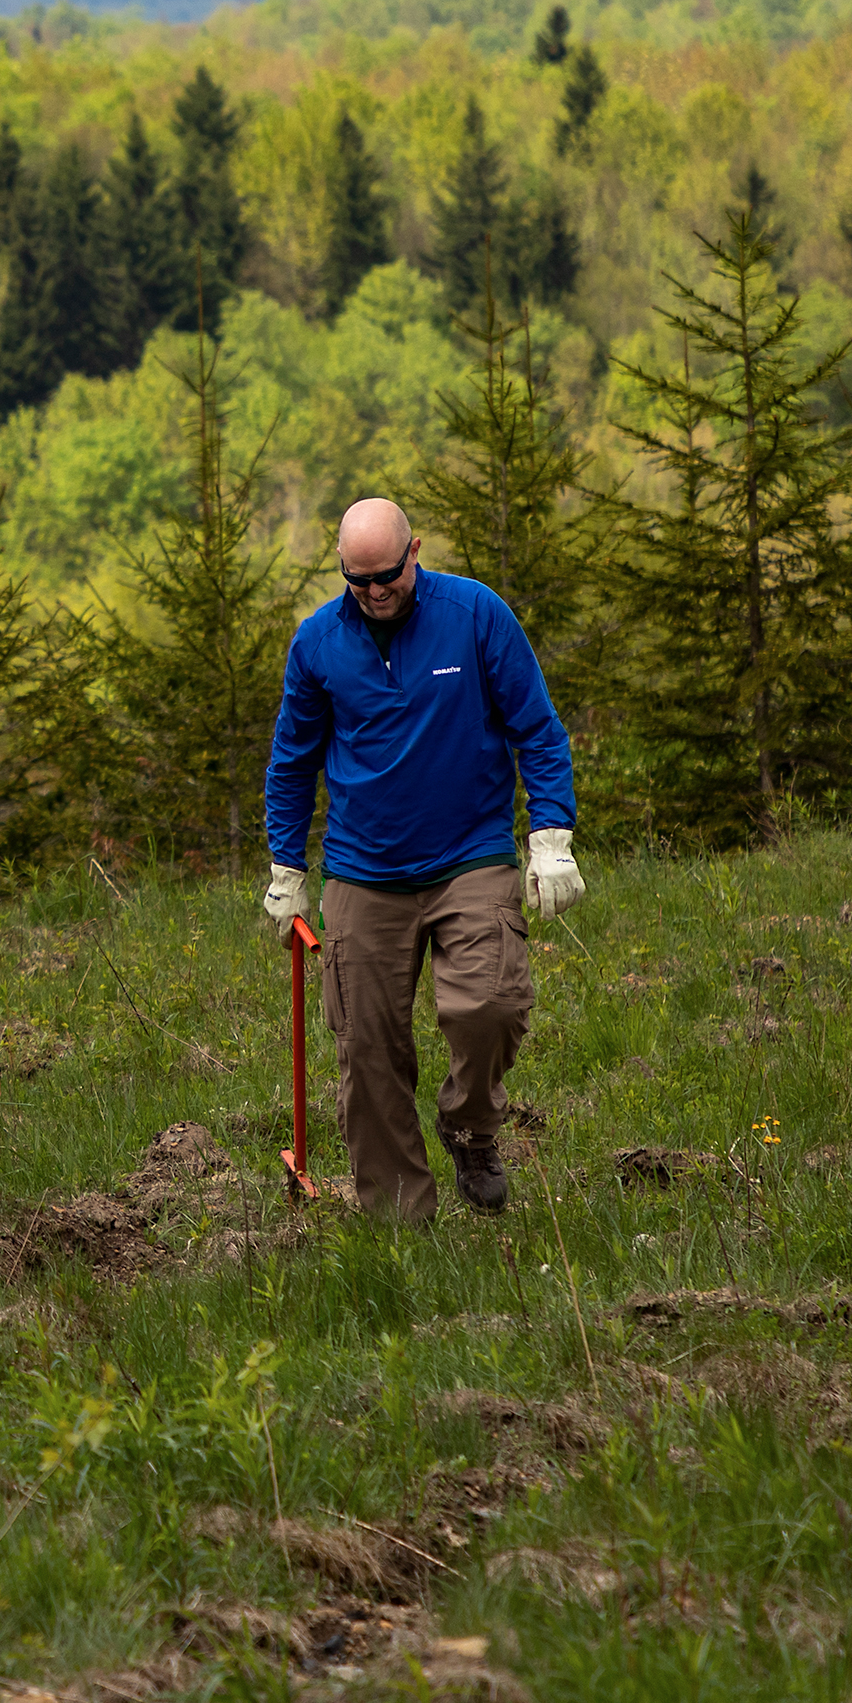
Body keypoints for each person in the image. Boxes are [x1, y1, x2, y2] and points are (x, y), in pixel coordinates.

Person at [260, 497, 582, 1220]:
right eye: (358, 579)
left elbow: (537, 727)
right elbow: (292, 762)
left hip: (471, 854)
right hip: (362, 870)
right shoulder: (317, 643)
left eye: (387, 575)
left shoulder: (475, 614)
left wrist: (551, 837)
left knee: (491, 1003)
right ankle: (401, 1222)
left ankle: (470, 1126)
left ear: (414, 553)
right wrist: (287, 870)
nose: (375, 592)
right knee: (367, 1047)